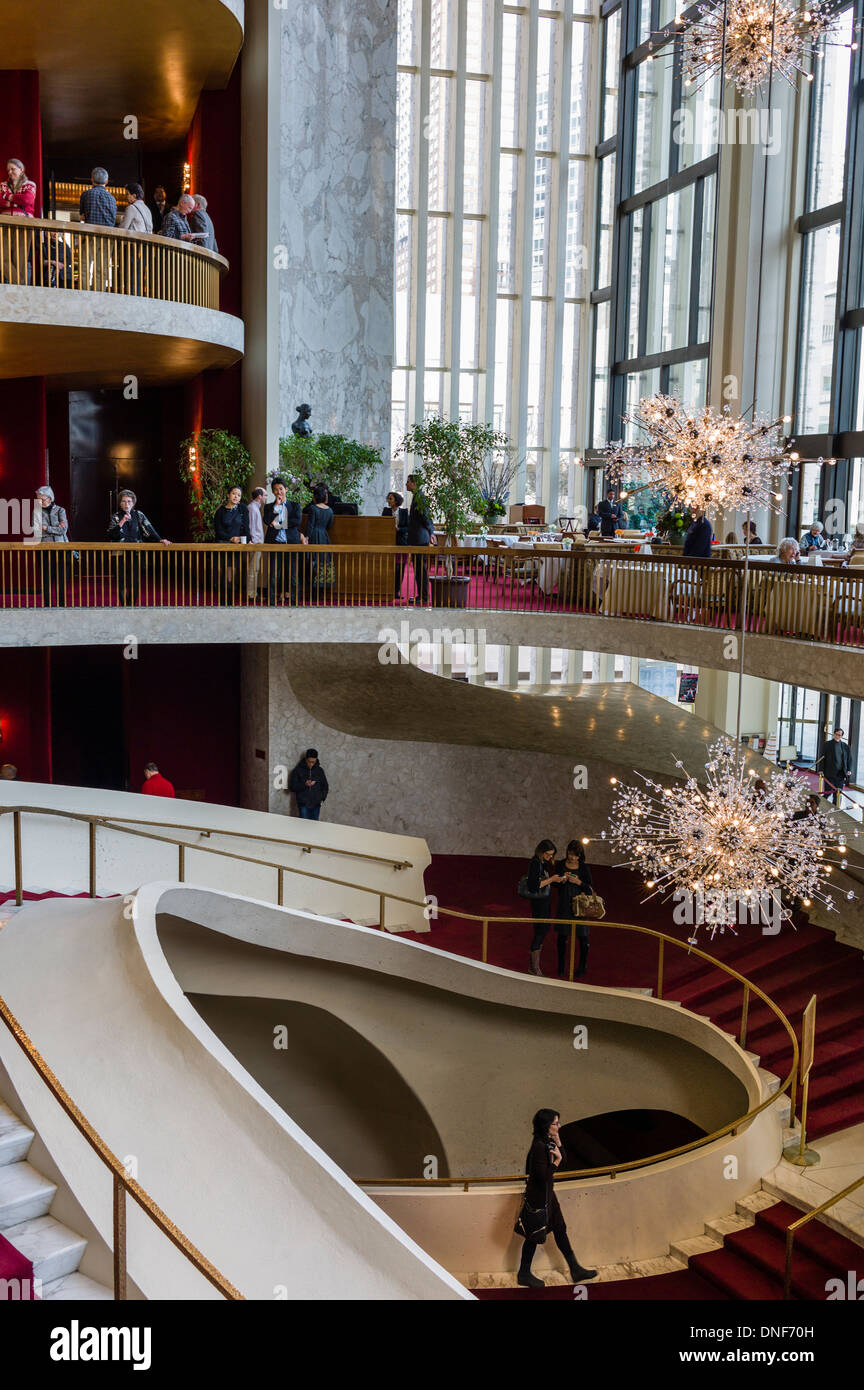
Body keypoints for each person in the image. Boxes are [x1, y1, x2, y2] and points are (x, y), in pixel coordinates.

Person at [516, 1109, 596, 1289]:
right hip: (538, 1198)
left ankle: (575, 1269)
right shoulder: (538, 1146)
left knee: (560, 1228)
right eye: (556, 1123)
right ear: (546, 1126)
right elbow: (542, 1176)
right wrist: (556, 1162)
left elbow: (565, 1161)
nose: (559, 1126)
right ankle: (523, 1274)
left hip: (548, 1196)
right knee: (534, 1237)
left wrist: (559, 1144)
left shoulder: (547, 1142)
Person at [107, 489, 170, 605]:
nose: (127, 504)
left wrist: (159, 539)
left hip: (136, 553)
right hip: (119, 554)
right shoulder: (115, 517)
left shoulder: (138, 515)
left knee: (134, 581)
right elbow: (112, 535)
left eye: (129, 501)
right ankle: (124, 605)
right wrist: (122, 521)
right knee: (122, 581)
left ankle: (131, 605)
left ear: (133, 503)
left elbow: (149, 529)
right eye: (124, 501)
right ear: (120, 503)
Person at [263, 478, 306, 605]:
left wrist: (278, 524)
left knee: (293, 575)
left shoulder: (295, 505)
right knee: (273, 576)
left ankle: (294, 602)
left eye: (281, 489)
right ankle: (271, 602)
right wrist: (276, 506)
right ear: (272, 491)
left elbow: (296, 521)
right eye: (275, 490)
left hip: (291, 544)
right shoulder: (268, 507)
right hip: (274, 544)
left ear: (286, 489)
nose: (278, 492)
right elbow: (267, 520)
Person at [554, 840, 592, 980]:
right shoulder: (560, 864)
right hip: (564, 903)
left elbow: (590, 888)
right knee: (562, 937)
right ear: (567, 852)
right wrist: (561, 881)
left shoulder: (583, 868)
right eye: (571, 854)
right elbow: (555, 885)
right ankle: (561, 965)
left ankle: (582, 966)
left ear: (580, 855)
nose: (572, 858)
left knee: (583, 937)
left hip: (580, 904)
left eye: (576, 856)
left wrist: (578, 882)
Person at [525, 840, 563, 976]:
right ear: (541, 851)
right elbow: (534, 886)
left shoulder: (543, 863)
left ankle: (534, 966)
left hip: (544, 902)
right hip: (538, 904)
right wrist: (552, 879)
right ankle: (533, 967)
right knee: (540, 931)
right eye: (547, 854)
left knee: (543, 931)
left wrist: (556, 880)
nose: (550, 857)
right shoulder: (535, 863)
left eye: (552, 855)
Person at [33, 485, 71, 607]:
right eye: (38, 499)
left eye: (42, 499)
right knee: (46, 579)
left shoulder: (60, 510)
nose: (40, 502)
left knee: (62, 578)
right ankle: (47, 605)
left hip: (61, 548)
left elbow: (63, 530)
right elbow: (37, 530)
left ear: (49, 498)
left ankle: (61, 605)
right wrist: (55, 528)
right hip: (44, 548)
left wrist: (47, 528)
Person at [0, 158, 37, 282]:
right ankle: (20, 284)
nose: (10, 172)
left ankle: (18, 289)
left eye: (13, 169)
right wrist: (16, 201)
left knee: (20, 258)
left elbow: (27, 200)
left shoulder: (30, 184)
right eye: (8, 170)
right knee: (2, 257)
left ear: (21, 170)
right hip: (4, 224)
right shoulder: (3, 185)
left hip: (24, 224)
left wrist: (8, 197)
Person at [214, 485, 250, 605]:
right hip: (223, 546)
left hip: (236, 548)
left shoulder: (243, 509)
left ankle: (230, 602)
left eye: (239, 495)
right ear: (228, 495)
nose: (236, 497)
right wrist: (231, 538)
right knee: (223, 576)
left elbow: (246, 527)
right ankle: (223, 602)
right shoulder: (220, 511)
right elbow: (218, 531)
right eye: (234, 494)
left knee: (231, 577)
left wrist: (246, 540)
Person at [406, 473, 435, 604]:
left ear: (414, 483)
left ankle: (423, 597)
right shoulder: (417, 496)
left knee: (420, 569)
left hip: (420, 538)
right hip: (417, 537)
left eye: (408, 482)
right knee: (418, 569)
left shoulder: (420, 498)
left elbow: (425, 516)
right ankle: (421, 595)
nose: (406, 484)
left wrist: (431, 532)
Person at [302, 483, 335, 593]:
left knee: (313, 560)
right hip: (324, 536)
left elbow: (310, 526)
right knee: (324, 561)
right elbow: (330, 526)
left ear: (315, 497)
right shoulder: (330, 510)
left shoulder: (313, 508)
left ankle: (312, 589)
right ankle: (323, 589)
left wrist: (306, 537)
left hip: (315, 536)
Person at [383, 490, 410, 598]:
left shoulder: (404, 512)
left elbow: (408, 527)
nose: (388, 501)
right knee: (389, 567)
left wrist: (398, 529)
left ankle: (396, 592)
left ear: (396, 500)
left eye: (390, 499)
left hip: (401, 543)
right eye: (388, 498)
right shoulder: (386, 511)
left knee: (400, 568)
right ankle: (388, 590)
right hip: (388, 543)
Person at [289, 749, 329, 820]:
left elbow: (325, 786)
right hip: (303, 805)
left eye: (313, 762)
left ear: (316, 760)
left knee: (314, 827)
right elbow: (292, 787)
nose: (311, 764)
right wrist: (304, 785)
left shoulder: (320, 771)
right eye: (309, 762)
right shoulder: (298, 770)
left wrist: (321, 797)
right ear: (306, 759)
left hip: (316, 805)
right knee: (303, 827)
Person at [821, 728, 852, 808]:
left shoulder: (845, 746)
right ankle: (820, 806)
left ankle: (835, 809)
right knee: (828, 792)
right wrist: (821, 770)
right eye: (837, 734)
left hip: (840, 774)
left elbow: (849, 759)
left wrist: (849, 769)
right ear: (834, 734)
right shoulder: (827, 744)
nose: (838, 736)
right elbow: (822, 758)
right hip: (830, 773)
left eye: (840, 735)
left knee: (838, 794)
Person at [247, 486, 266, 599]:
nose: (266, 497)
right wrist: (254, 542)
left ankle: (254, 593)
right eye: (265, 495)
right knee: (253, 569)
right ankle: (251, 594)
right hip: (255, 543)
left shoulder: (255, 508)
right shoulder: (252, 508)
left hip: (258, 543)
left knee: (256, 568)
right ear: (260, 496)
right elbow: (251, 527)